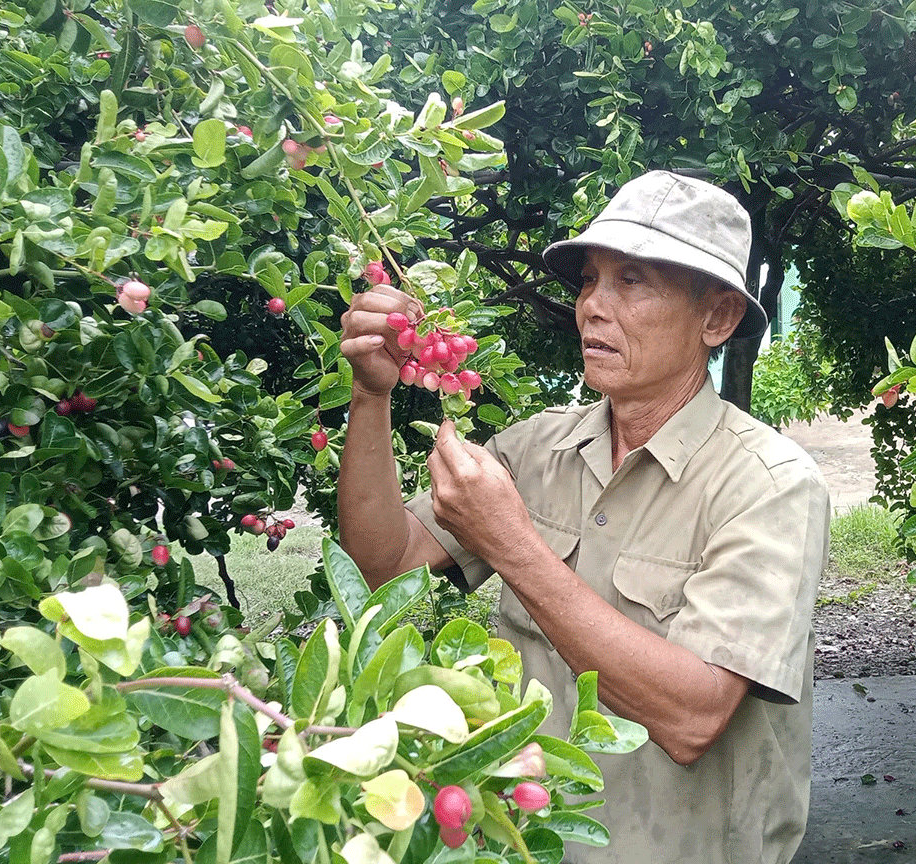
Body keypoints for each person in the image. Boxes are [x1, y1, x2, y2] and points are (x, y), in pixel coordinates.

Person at [337, 170, 831, 863]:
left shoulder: (771, 486)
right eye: (590, 280)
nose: (593, 306)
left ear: (715, 318)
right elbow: (385, 564)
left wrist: (514, 547)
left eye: (632, 281)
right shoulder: (537, 448)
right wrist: (370, 396)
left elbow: (693, 717)